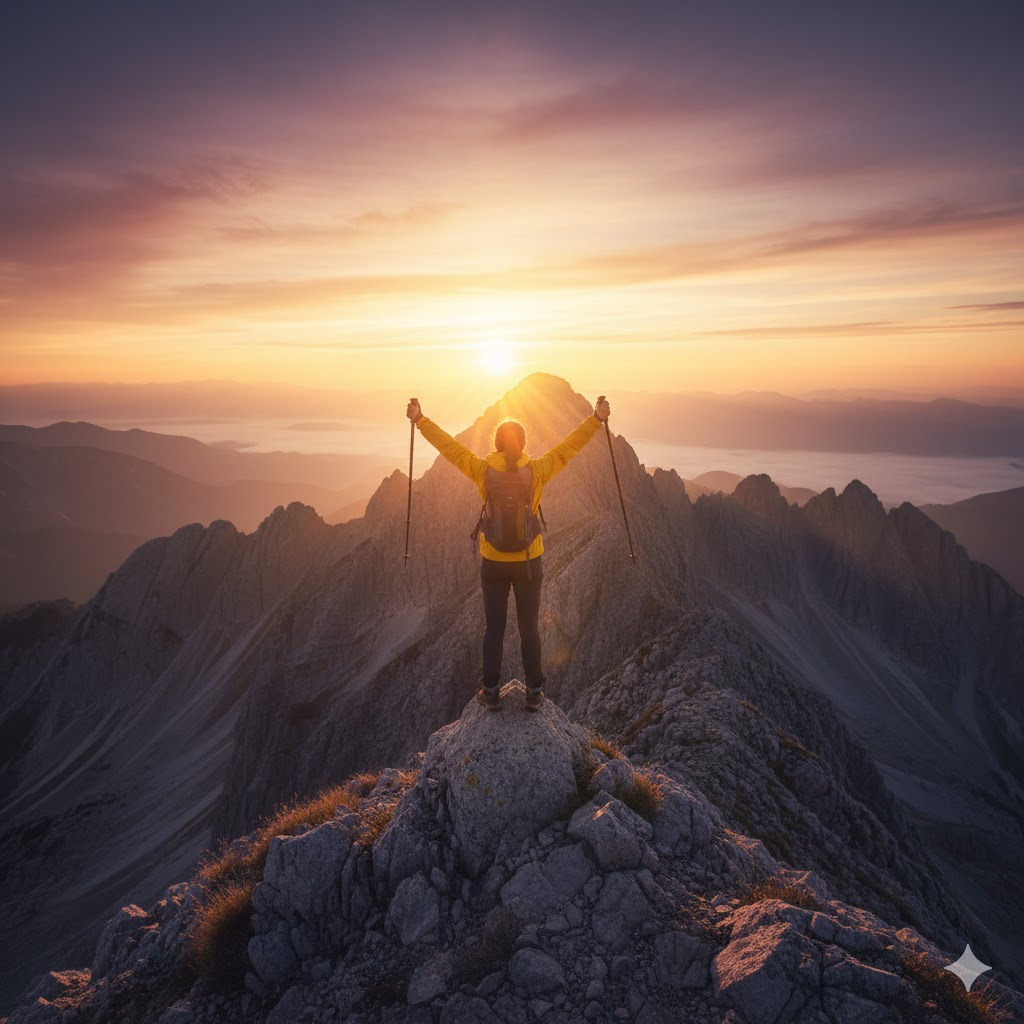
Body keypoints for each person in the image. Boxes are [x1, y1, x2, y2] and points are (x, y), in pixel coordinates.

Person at [406, 395, 612, 711]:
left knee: (494, 628)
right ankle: (535, 692)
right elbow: (570, 447)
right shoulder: (539, 470)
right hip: (530, 562)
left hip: (493, 562)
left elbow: (450, 448)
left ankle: (490, 691)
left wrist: (420, 420)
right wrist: (596, 419)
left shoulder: (483, 470)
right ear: (524, 443)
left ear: (498, 444)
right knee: (529, 627)